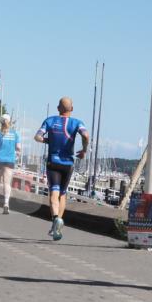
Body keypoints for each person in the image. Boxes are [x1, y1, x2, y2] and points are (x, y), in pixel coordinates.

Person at [35, 98, 89, 240]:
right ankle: (58, 220)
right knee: (63, 194)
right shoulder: (77, 122)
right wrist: (84, 149)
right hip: (68, 164)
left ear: (58, 108)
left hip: (53, 162)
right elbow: (86, 135)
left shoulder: (50, 121)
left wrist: (48, 140)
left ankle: (55, 220)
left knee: (54, 193)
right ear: (72, 108)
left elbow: (38, 137)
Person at [0, 114, 21, 214]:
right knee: (7, 183)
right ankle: (6, 204)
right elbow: (18, 147)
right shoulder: (15, 133)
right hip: (10, 160)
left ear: (1, 122)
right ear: (9, 121)